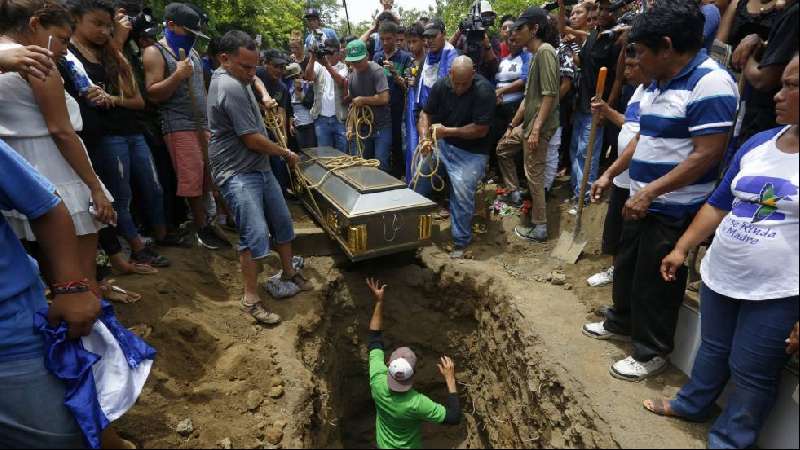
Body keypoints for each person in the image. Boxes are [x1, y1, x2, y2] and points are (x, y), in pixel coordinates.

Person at [645, 55, 799, 450]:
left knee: (752, 370)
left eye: (792, 86)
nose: (778, 94)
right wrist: (682, 248)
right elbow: (718, 203)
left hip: (778, 290)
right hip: (723, 273)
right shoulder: (760, 142)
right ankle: (693, 404)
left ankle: (730, 440)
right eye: (782, 84)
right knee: (712, 348)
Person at [583, 0, 739, 382]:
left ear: (666, 46)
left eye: (640, 52)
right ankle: (620, 321)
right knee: (628, 265)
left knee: (656, 282)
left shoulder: (710, 83)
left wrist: (651, 192)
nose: (635, 60)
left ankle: (651, 352)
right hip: (641, 196)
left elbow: (708, 155)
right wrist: (611, 174)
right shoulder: (657, 83)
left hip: (672, 206)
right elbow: (644, 139)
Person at [0, 0, 115, 297]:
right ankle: (96, 339)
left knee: (50, 280)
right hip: (58, 168)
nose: (65, 49)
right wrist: (95, 187)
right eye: (62, 39)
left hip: (16, 171)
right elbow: (62, 132)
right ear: (35, 24)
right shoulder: (38, 61)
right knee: (80, 278)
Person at [208, 31, 312, 326]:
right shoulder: (229, 86)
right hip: (238, 172)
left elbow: (253, 79)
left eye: (256, 66)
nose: (253, 73)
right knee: (253, 234)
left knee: (282, 221)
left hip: (259, 167)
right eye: (247, 67)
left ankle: (290, 271)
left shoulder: (239, 77)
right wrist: (284, 152)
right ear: (224, 59)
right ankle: (251, 299)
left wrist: (264, 93)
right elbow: (251, 139)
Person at [63, 0, 171, 269]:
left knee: (153, 187)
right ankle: (136, 247)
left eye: (108, 26)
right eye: (97, 24)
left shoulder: (112, 54)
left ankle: (160, 236)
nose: (104, 31)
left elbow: (137, 100)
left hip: (131, 130)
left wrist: (112, 98)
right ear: (76, 19)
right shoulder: (68, 56)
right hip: (104, 135)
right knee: (119, 195)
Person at [143, 3, 230, 250]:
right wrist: (176, 76)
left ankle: (211, 221)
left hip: (201, 122)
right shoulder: (154, 51)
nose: (192, 37)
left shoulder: (191, 52)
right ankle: (200, 225)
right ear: (171, 25)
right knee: (191, 176)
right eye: (187, 31)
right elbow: (152, 93)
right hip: (178, 123)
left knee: (208, 176)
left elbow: (201, 90)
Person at [365, 277, 462, 449]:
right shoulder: (417, 403)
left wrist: (379, 301)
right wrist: (450, 380)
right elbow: (453, 418)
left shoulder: (377, 380)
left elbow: (374, 338)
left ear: (388, 364)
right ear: (412, 375)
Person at [415, 56, 496, 259]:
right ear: (450, 74)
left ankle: (460, 242)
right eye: (456, 83)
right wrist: (425, 138)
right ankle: (412, 231)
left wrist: (446, 131)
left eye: (464, 83)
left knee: (461, 190)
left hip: (472, 153)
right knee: (419, 182)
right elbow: (425, 114)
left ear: (473, 74)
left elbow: (481, 129)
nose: (459, 88)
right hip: (443, 146)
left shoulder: (484, 90)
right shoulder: (441, 86)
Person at [496, 8, 560, 243]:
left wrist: (535, 129)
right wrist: (514, 124)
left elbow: (550, 94)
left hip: (539, 127)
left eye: (520, 28)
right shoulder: (534, 55)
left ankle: (540, 226)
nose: (515, 32)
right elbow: (528, 97)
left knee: (534, 174)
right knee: (503, 148)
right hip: (529, 123)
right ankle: (514, 192)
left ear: (534, 29)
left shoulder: (545, 52)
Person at [587, 48, 648, 288]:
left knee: (629, 231)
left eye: (633, 66)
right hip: (622, 177)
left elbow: (643, 137)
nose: (627, 71)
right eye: (627, 65)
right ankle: (616, 269)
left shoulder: (656, 95)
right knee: (615, 229)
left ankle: (625, 275)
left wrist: (608, 172)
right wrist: (607, 110)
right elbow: (630, 124)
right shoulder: (639, 92)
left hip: (637, 180)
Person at [568, 0, 622, 213]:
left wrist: (606, 109)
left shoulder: (616, 40)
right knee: (575, 150)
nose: (601, 13)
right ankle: (576, 192)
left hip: (597, 106)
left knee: (587, 152)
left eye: (607, 9)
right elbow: (581, 62)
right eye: (599, 8)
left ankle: (584, 197)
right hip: (582, 103)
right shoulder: (592, 35)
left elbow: (617, 79)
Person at [492, 19, 531, 200]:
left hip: (516, 107)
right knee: (500, 143)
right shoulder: (504, 60)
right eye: (509, 40)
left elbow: (524, 81)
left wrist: (502, 90)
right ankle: (508, 184)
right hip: (500, 107)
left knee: (512, 147)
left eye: (515, 40)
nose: (512, 43)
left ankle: (519, 184)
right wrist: (497, 92)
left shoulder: (527, 57)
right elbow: (497, 79)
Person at [373, 21, 412, 178]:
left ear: (396, 38)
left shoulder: (405, 58)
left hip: (398, 109)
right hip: (379, 109)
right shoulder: (377, 57)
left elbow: (407, 88)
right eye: (382, 39)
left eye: (388, 38)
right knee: (381, 145)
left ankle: (398, 177)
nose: (385, 42)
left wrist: (395, 74)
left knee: (398, 144)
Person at [344, 40, 391, 170]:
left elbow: (384, 98)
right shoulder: (352, 77)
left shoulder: (377, 71)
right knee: (364, 164)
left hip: (381, 126)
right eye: (353, 62)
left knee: (381, 163)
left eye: (358, 61)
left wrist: (363, 100)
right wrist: (349, 128)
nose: (356, 64)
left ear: (367, 56)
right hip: (363, 128)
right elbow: (353, 106)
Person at [304, 37, 349, 153]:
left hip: (339, 118)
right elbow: (308, 77)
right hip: (321, 119)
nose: (328, 55)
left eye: (331, 52)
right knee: (324, 155)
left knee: (342, 155)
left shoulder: (343, 67)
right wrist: (313, 57)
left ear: (338, 53)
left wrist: (327, 65)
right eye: (326, 51)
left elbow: (340, 81)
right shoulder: (319, 66)